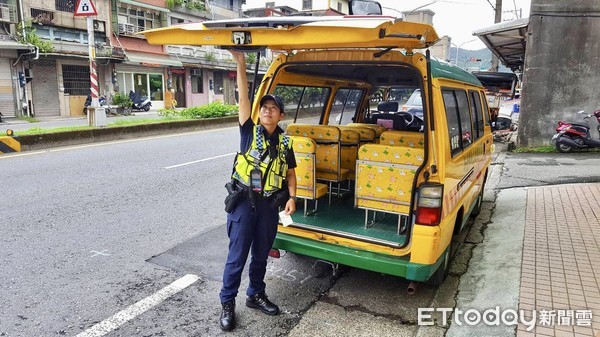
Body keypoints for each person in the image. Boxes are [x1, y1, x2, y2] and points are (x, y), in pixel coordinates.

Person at [219, 50, 297, 331]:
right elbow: (243, 99)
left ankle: (255, 294)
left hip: (269, 205)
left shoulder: (286, 144)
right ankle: (227, 302)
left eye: (272, 108)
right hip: (243, 203)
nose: (266, 110)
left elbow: (290, 173)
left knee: (261, 255)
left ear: (280, 115)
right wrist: (240, 63)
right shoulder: (248, 132)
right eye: (263, 107)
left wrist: (293, 198)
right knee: (237, 257)